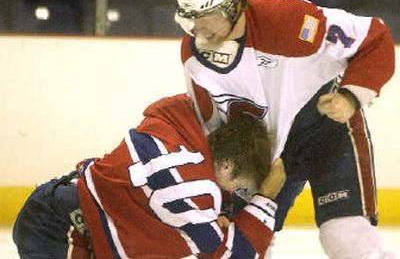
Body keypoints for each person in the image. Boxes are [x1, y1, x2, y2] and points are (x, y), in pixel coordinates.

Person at [174, 0, 396, 258]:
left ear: (233, 4)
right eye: (189, 17)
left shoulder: (290, 21)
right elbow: (214, 130)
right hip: (261, 151)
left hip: (326, 132)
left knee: (345, 238)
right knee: (239, 243)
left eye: (204, 16)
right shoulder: (194, 53)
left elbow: (374, 38)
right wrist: (223, 203)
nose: (196, 29)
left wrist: (350, 96)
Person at [13, 93, 286, 258]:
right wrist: (266, 197)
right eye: (240, 187)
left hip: (64, 209)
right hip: (60, 227)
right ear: (226, 166)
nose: (235, 193)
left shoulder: (176, 122)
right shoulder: (191, 189)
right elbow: (235, 255)